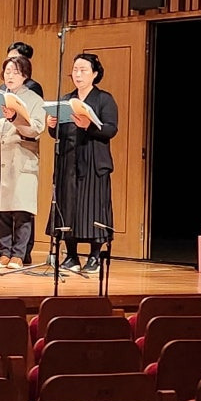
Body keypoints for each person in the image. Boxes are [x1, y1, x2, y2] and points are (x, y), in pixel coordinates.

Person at [46, 52, 118, 274]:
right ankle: (71, 255)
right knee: (68, 206)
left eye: (83, 70)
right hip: (68, 159)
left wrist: (89, 125)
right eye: (75, 70)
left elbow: (111, 129)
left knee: (94, 207)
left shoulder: (104, 99)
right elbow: (58, 133)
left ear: (95, 74)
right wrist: (52, 125)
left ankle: (95, 256)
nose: (78, 74)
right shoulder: (66, 99)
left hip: (94, 160)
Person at [0, 55, 45, 270]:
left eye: (16, 72)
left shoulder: (34, 99)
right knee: (1, 210)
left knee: (21, 210)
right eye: (7, 72)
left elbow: (36, 129)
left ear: (25, 75)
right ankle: (4, 252)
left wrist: (15, 118)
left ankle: (19, 254)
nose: (10, 76)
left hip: (20, 159)